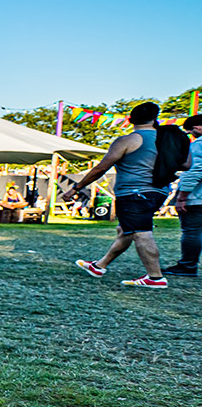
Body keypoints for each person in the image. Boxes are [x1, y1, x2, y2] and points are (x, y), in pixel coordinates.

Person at [71, 102, 177, 288]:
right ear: (155, 119)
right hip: (159, 192)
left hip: (133, 193)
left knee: (141, 233)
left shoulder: (127, 140)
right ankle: (99, 266)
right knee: (126, 230)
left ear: (129, 120)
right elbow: (186, 165)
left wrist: (76, 187)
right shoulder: (167, 140)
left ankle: (155, 277)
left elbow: (101, 168)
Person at [162, 114, 202, 277]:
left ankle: (187, 265)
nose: (190, 136)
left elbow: (194, 171)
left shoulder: (198, 145)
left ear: (198, 127)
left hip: (197, 196)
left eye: (190, 132)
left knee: (191, 231)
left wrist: (182, 197)